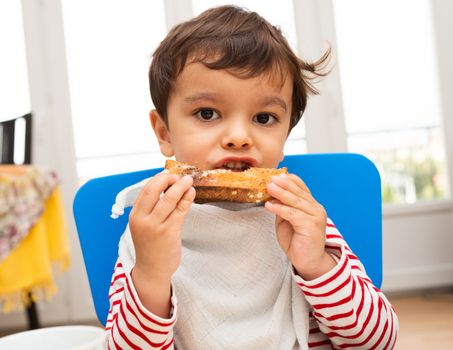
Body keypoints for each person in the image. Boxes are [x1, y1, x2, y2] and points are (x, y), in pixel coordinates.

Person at [106, 5, 398, 349]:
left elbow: (379, 341)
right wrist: (152, 274)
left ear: (286, 134)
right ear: (164, 133)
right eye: (207, 113)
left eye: (263, 118)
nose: (239, 136)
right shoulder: (151, 228)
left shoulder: (299, 220)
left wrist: (317, 265)